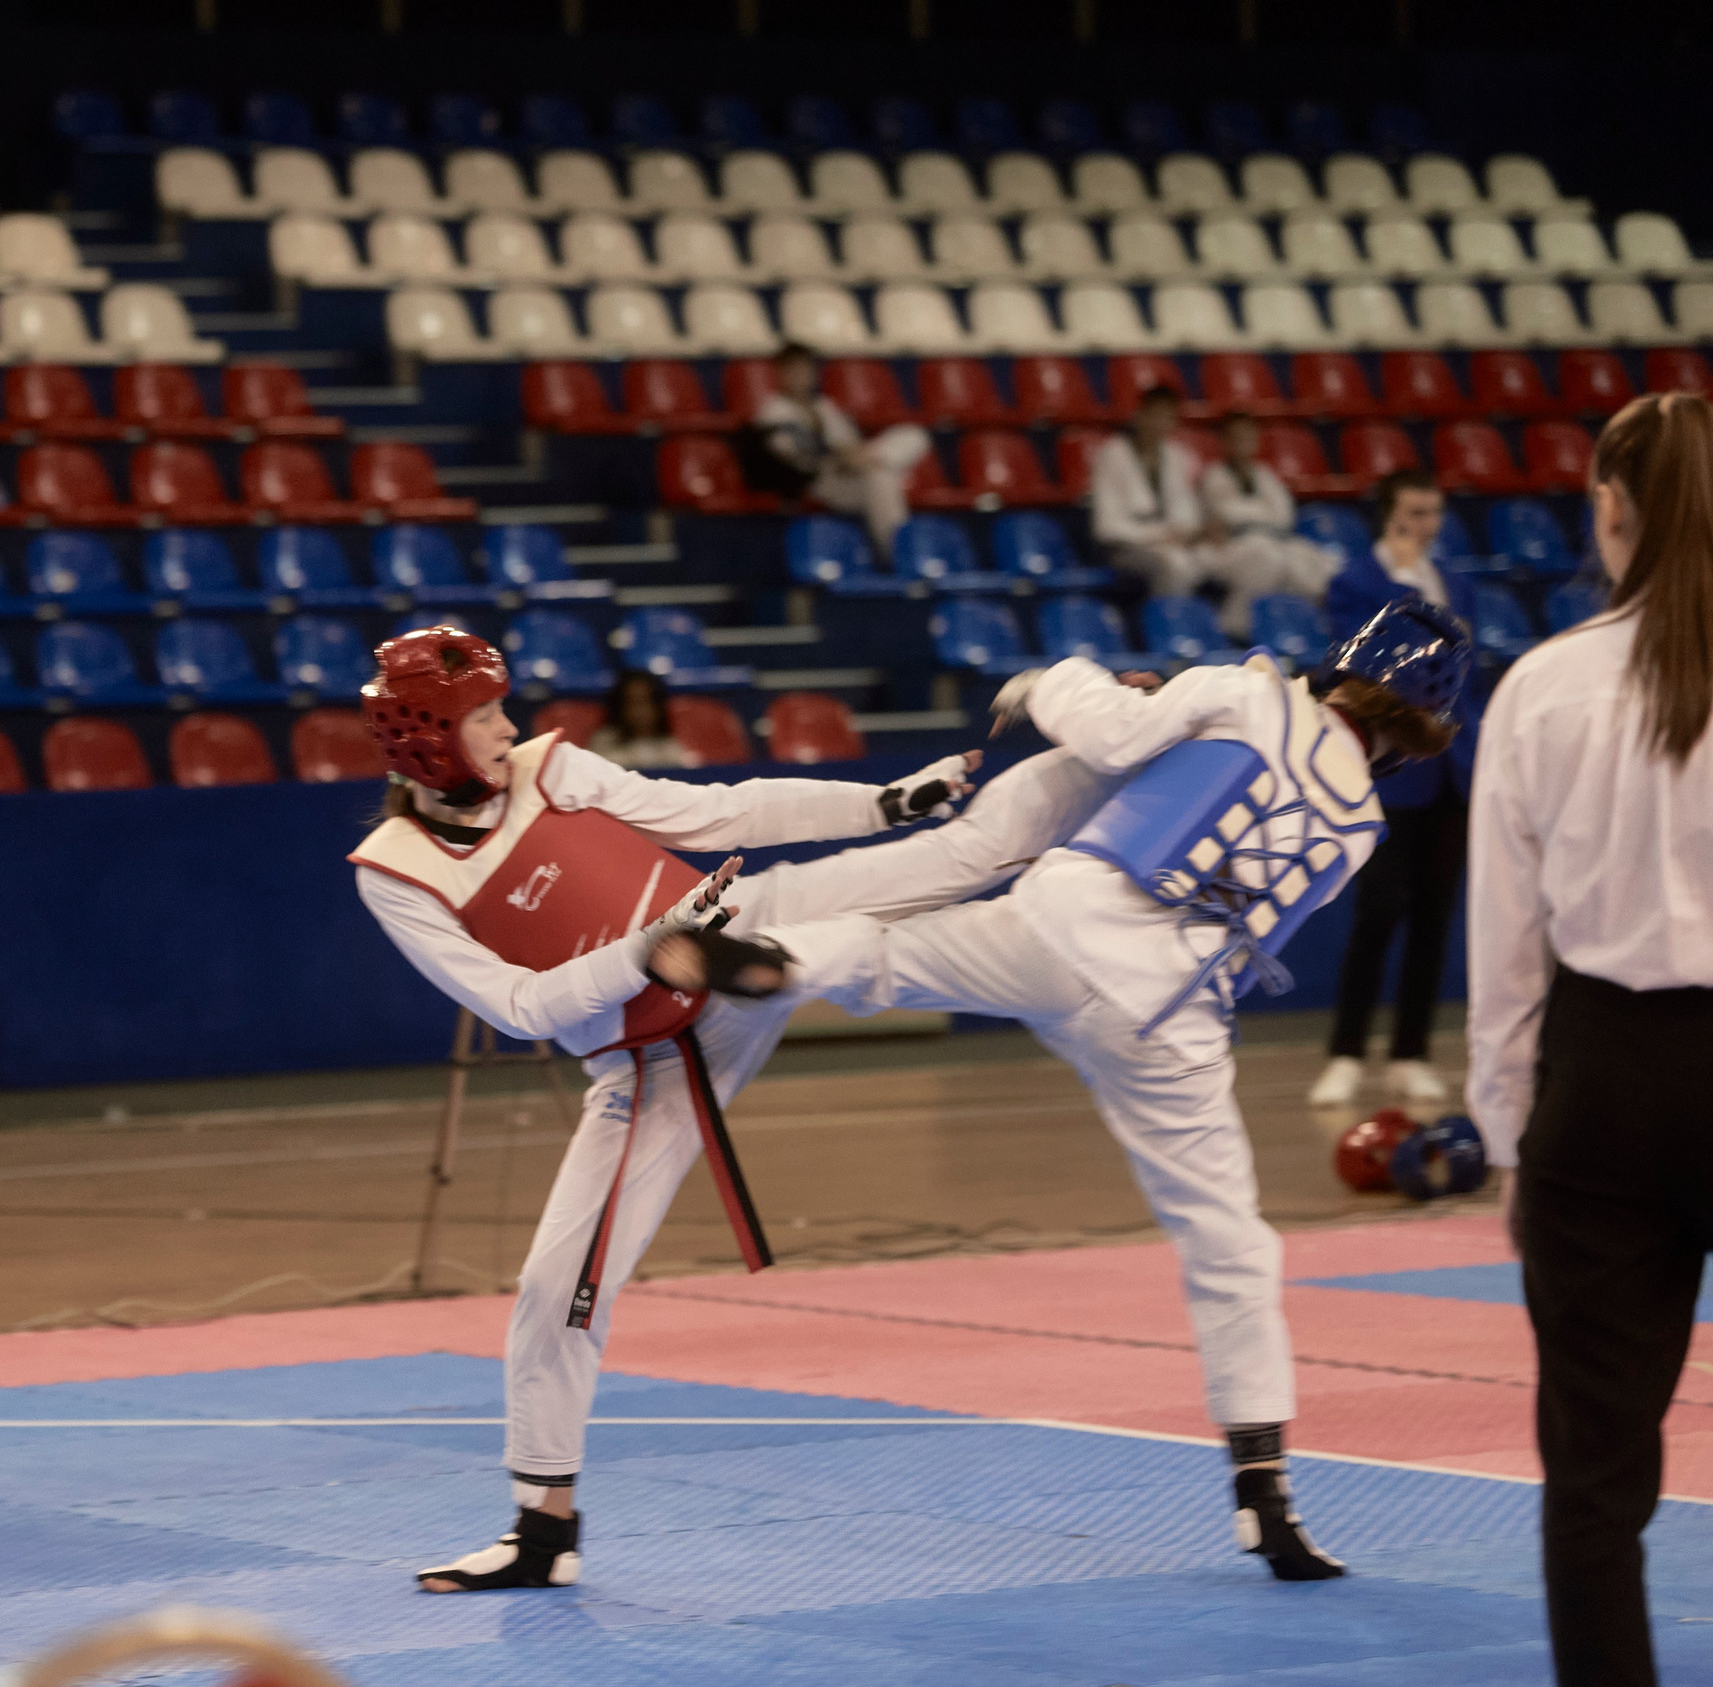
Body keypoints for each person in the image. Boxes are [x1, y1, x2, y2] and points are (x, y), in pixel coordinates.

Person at [351, 626, 1126, 1593]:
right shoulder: (398, 870)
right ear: (425, 741)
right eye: (483, 718)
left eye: (502, 709)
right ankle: (541, 1533)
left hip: (744, 925)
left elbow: (717, 814)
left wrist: (881, 802)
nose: (509, 729)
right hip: (652, 1063)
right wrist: (650, 950)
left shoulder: (553, 766)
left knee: (960, 850)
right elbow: (517, 1008)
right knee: (554, 1293)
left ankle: (1122, 744)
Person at [763, 597, 1473, 1580]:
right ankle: (1263, 1490)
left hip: (1064, 927)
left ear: (1341, 667)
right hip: (1165, 1017)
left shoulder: (1244, 692)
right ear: (1421, 738)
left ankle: (773, 959)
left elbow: (1109, 736)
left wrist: (1048, 680)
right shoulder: (1359, 826)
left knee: (886, 956)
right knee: (1229, 1241)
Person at [1470, 392, 1713, 1687]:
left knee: (1596, 1474)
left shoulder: (1544, 688)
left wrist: (1512, 1137)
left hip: (1605, 1088)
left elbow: (1504, 959)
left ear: (1610, 512)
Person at [1310, 469, 1474, 1107]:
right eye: (1411, 512)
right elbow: (1371, 665)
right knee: (1377, 913)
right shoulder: (1356, 582)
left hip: (1448, 772)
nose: (1422, 525)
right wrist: (1407, 583)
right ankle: (1346, 1053)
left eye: (1432, 512)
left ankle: (1410, 1053)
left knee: (1434, 916)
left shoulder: (1456, 585)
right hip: (1386, 774)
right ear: (1387, 515)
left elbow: (1465, 678)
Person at [746, 342, 933, 553]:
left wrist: (856, 456)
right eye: (793, 370)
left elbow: (849, 441)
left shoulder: (824, 405)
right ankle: (903, 554)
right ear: (780, 373)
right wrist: (840, 457)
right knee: (880, 478)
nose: (800, 375)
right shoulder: (773, 412)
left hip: (855, 467)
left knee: (913, 434)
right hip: (820, 480)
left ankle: (878, 459)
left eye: (805, 368)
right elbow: (793, 458)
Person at [1196, 412, 1338, 633]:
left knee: (1321, 562)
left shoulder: (1264, 474)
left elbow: (1284, 516)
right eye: (1237, 438)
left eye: (1248, 438)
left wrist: (1251, 511)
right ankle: (1234, 628)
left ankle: (1308, 628)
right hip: (1233, 546)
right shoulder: (1214, 475)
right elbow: (1227, 514)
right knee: (1267, 560)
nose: (1243, 445)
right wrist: (1262, 510)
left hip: (1273, 540)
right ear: (1224, 442)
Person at [1089, 386, 1212, 600]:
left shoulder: (1176, 456)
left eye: (1168, 418)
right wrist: (1159, 535)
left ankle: (1220, 627)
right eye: (1155, 416)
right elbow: (1107, 526)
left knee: (1223, 558)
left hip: (1174, 543)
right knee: (1173, 566)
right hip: (1125, 547)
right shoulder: (1112, 455)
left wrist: (1188, 532)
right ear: (1140, 415)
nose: (1160, 425)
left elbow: (1185, 510)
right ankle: (1167, 629)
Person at [587, 669, 697, 771]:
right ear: (619, 707)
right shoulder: (603, 742)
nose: (640, 711)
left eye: (646, 702)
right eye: (632, 703)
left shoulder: (669, 746)